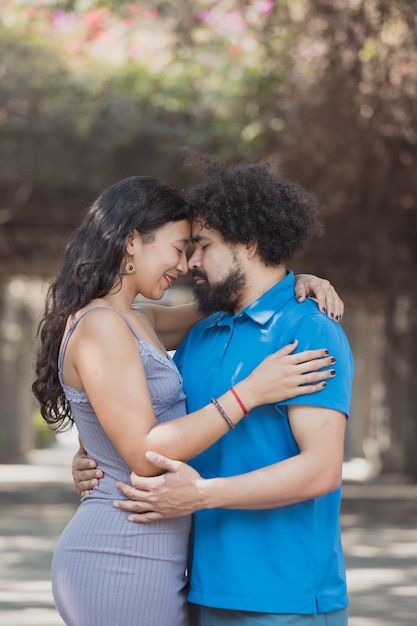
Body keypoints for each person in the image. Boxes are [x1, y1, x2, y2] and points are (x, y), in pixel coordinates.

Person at [33, 174, 342, 626]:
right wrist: (250, 392)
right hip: (123, 552)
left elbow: (237, 295)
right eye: (179, 248)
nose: (186, 264)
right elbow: (142, 451)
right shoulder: (101, 324)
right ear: (133, 241)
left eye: (197, 247)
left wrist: (296, 280)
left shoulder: (146, 320)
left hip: (168, 562)